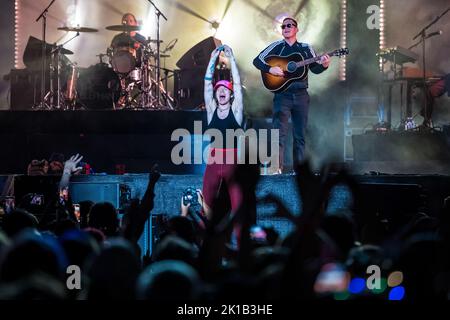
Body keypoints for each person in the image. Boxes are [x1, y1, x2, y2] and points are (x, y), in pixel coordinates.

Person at [253, 16, 331, 173]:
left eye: (290, 25)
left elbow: (315, 68)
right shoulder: (276, 46)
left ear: (297, 29)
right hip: (282, 95)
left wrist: (324, 65)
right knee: (278, 134)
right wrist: (270, 69)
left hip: (301, 95)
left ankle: (299, 171)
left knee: (300, 135)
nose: (286, 28)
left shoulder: (306, 48)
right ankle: (277, 168)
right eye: (283, 26)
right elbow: (257, 60)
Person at [202, 44, 244, 229]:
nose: (220, 92)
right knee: (206, 204)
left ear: (231, 94)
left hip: (232, 160)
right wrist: (212, 59)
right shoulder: (211, 111)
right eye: (218, 90)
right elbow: (206, 84)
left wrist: (232, 59)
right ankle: (203, 244)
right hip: (213, 159)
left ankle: (241, 246)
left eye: (225, 90)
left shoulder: (236, 110)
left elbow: (237, 82)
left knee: (238, 205)